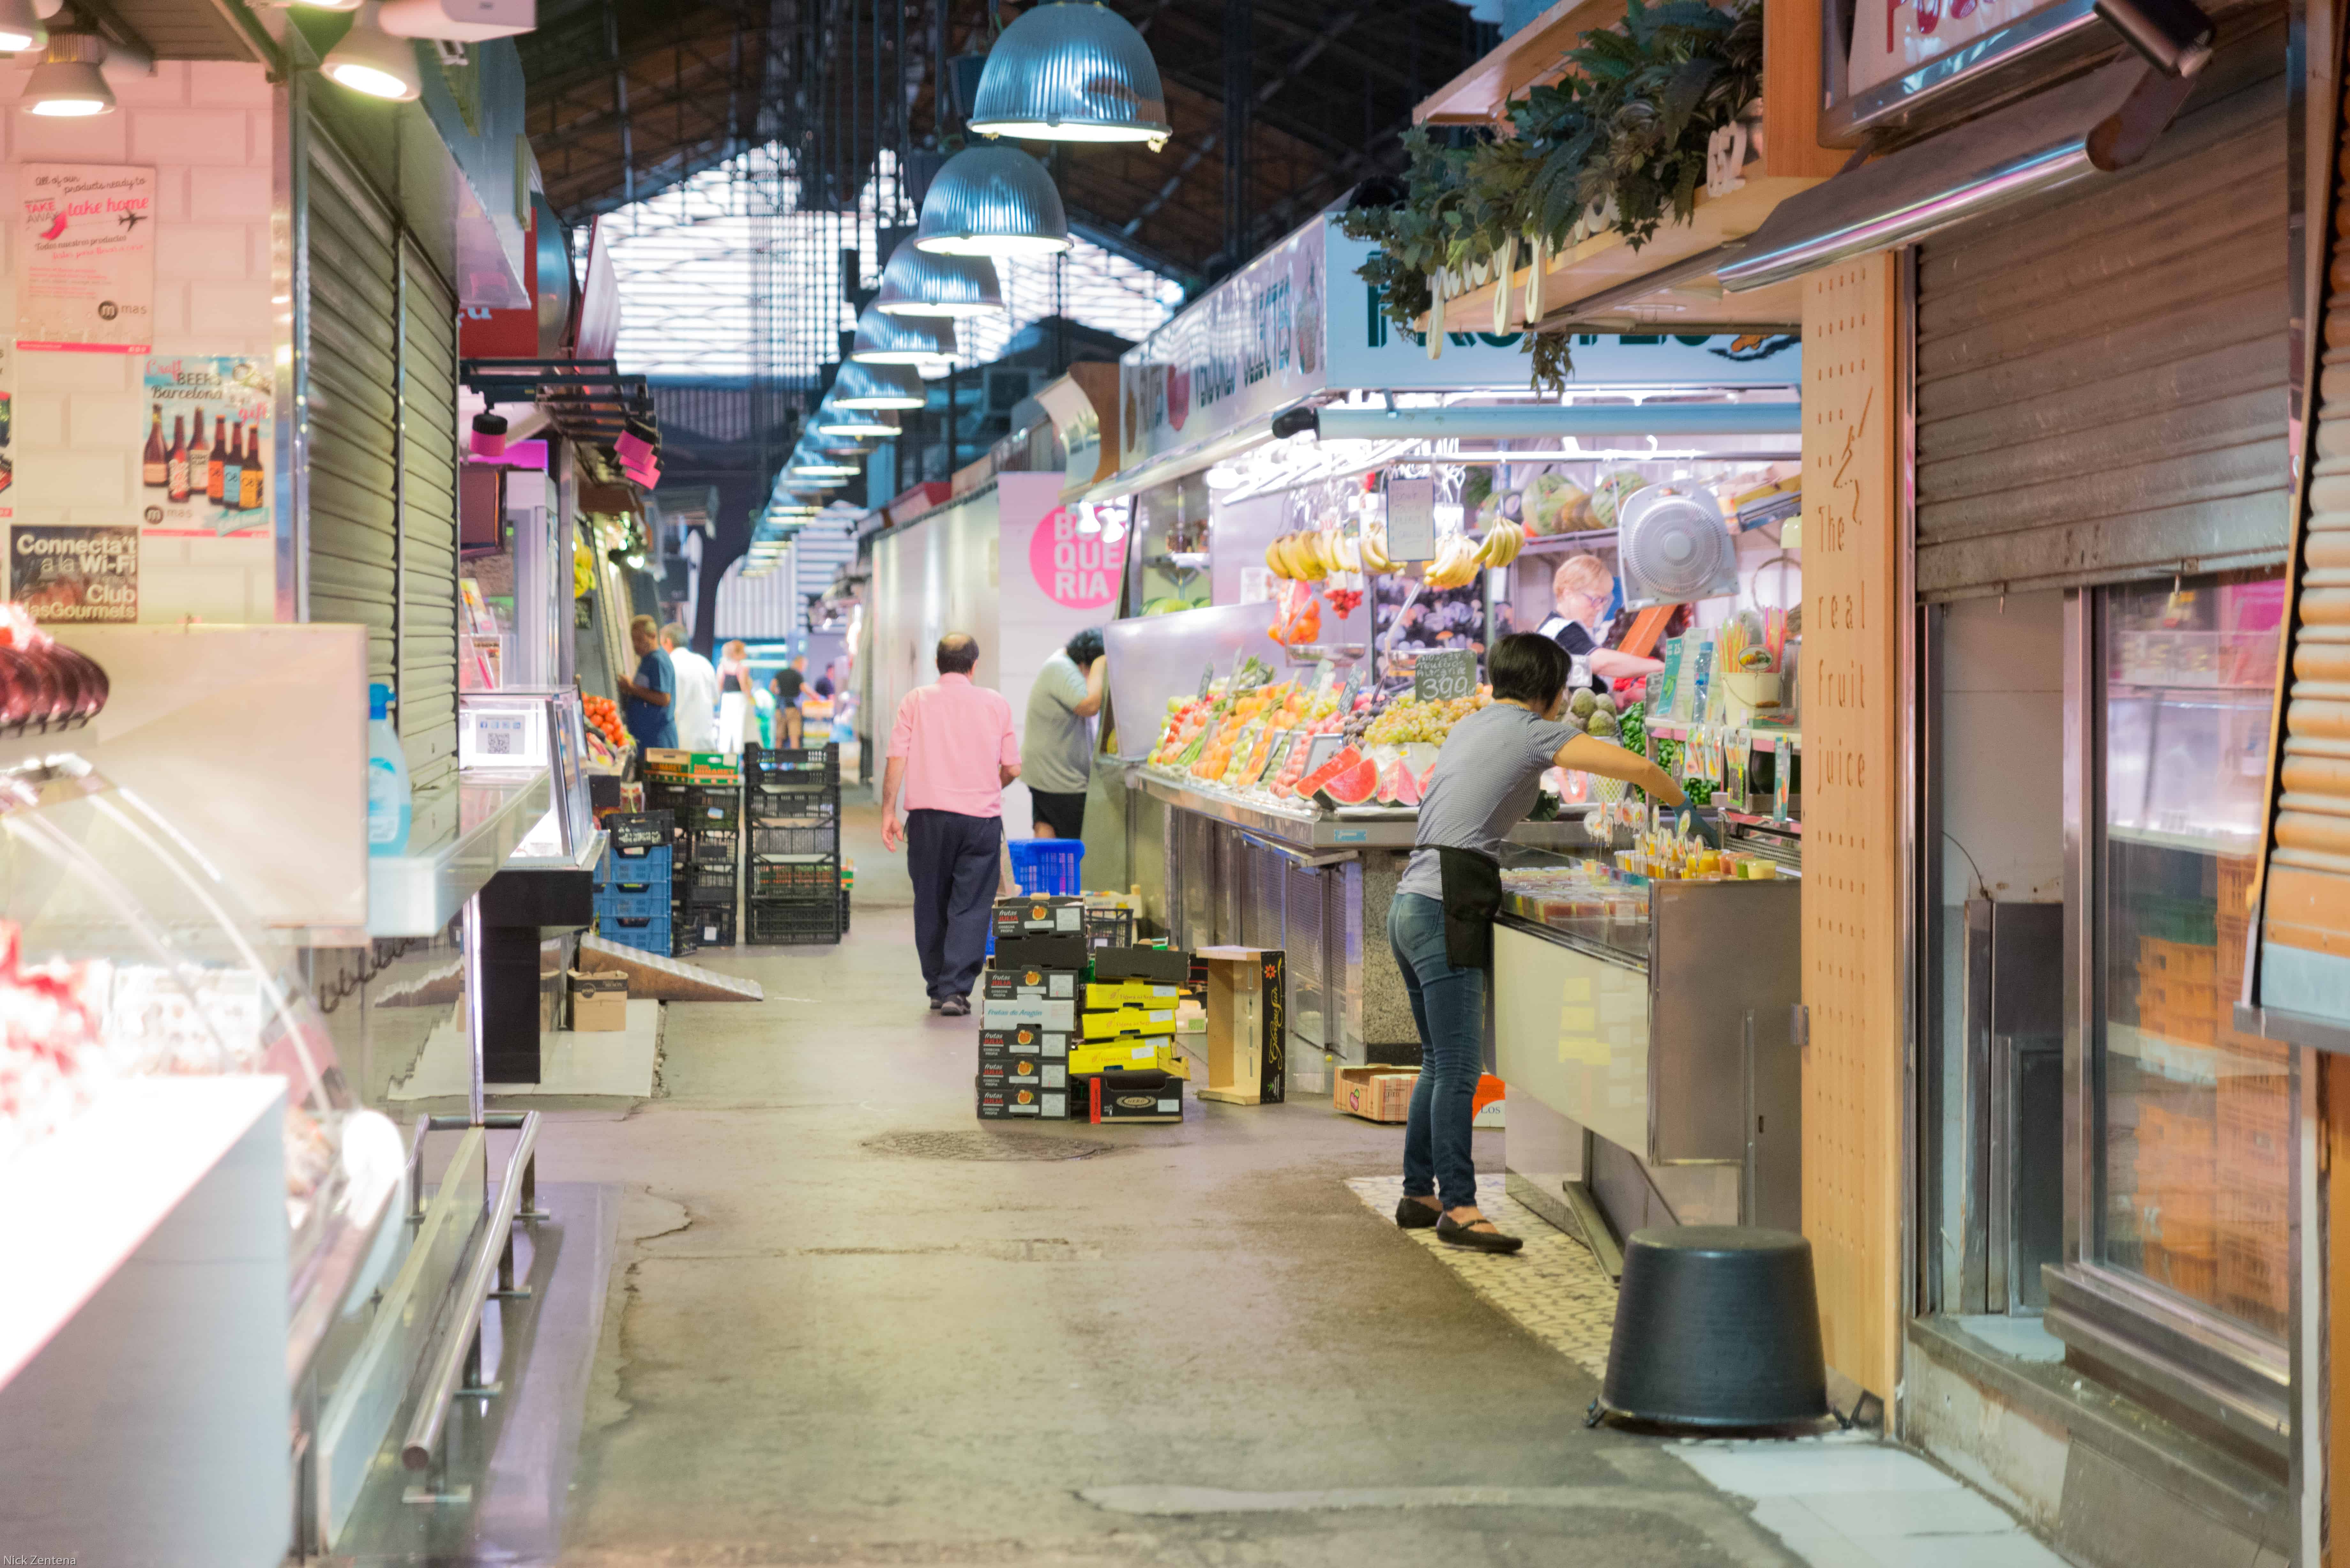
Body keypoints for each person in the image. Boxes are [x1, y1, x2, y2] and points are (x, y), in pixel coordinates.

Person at [1390, 632, 1683, 1253]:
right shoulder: (1531, 728)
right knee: (1460, 1067)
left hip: (1411, 899)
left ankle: (1420, 1191)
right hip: (1448, 900)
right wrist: (1686, 808)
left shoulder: (1471, 724)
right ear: (1550, 693)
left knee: (1436, 1061)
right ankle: (1461, 1207)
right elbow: (1631, 766)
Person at [880, 635, 1019, 1015]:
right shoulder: (996, 703)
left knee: (930, 901)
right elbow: (1013, 768)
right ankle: (956, 991)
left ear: (937, 663)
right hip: (980, 819)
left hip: (927, 819)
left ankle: (937, 988)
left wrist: (888, 811)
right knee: (971, 904)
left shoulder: (915, 700)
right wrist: (989, 786)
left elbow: (896, 757)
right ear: (974, 666)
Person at [1022, 627, 1105, 840]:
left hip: (1049, 774)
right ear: (1087, 663)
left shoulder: (1059, 665)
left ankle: (1044, 875)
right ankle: (1062, 876)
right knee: (1074, 845)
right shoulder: (1060, 668)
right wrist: (1101, 665)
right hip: (1060, 780)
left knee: (1047, 831)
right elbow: (1089, 705)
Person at [1540, 554, 1664, 694]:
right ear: (1569, 594)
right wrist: (1658, 666)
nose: (1599, 608)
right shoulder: (1559, 630)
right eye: (1595, 599)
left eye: (1603, 601)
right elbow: (1601, 663)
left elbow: (1578, 685)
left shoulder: (1566, 630)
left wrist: (1619, 698)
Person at [615, 614, 676, 750]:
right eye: (633, 639)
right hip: (645, 741)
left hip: (657, 743)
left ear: (653, 636)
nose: (636, 645)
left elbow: (664, 698)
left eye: (640, 639)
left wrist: (631, 687)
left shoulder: (658, 661)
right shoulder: (648, 660)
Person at [660, 623, 718, 750]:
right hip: (705, 744)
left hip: (679, 745)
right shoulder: (705, 664)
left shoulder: (668, 665)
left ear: (668, 642)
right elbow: (715, 699)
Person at [716, 640, 753, 754]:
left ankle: (723, 754)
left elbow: (719, 686)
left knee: (725, 729)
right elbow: (744, 687)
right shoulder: (742, 668)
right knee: (739, 729)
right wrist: (752, 700)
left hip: (726, 699)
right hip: (739, 699)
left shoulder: (722, 667)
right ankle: (738, 755)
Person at [772, 656, 807, 747]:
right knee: (794, 736)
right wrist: (817, 697)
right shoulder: (798, 675)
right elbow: (804, 688)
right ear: (800, 663)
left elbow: (772, 687)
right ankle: (795, 761)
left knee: (779, 737)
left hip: (780, 709)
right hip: (793, 709)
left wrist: (779, 693)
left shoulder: (780, 674)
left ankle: (778, 761)